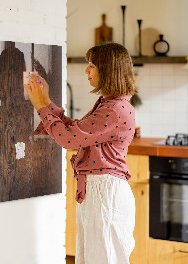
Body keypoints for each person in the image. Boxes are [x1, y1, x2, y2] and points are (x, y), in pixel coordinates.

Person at [24, 42, 138, 264]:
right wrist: (46, 101)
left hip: (105, 194)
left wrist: (40, 106)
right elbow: (76, 131)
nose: (86, 70)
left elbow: (68, 138)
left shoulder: (114, 109)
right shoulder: (110, 104)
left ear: (108, 69)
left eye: (92, 65)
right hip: (100, 191)